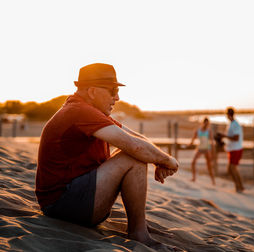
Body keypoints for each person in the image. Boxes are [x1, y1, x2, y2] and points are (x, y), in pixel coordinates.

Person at [35, 63, 179, 249]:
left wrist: (160, 159)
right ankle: (139, 234)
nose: (117, 97)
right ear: (93, 91)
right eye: (112, 90)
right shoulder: (80, 112)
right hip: (63, 205)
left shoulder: (85, 110)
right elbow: (135, 147)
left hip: (68, 202)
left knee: (134, 152)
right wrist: (169, 161)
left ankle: (140, 225)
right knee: (132, 157)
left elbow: (135, 137)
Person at [218, 107, 245, 193]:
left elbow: (236, 138)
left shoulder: (235, 124)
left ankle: (239, 187)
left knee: (232, 168)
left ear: (228, 114)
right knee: (232, 169)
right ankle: (240, 186)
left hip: (236, 149)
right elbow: (230, 137)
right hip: (232, 149)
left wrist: (224, 136)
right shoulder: (231, 124)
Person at [188, 117, 215, 185]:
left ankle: (213, 181)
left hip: (207, 149)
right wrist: (188, 145)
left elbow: (212, 142)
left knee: (209, 166)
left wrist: (212, 153)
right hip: (200, 148)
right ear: (203, 123)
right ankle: (194, 178)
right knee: (193, 162)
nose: (206, 124)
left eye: (207, 123)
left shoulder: (209, 131)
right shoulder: (198, 130)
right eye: (205, 123)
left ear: (208, 124)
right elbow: (193, 140)